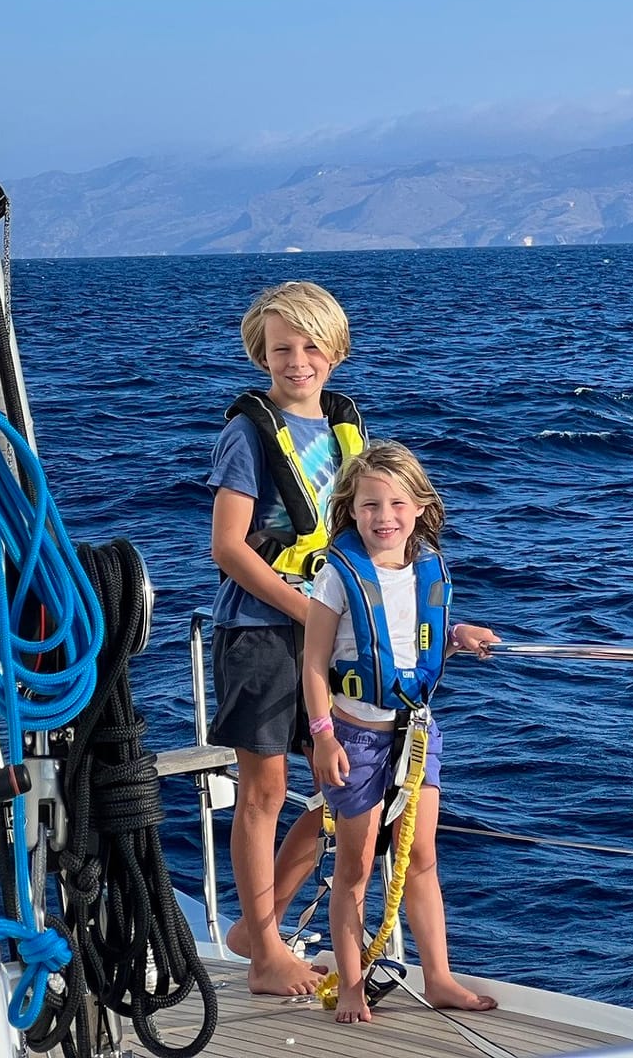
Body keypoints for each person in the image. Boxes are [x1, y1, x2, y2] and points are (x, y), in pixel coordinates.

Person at [302, 442, 500, 1025]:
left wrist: (458, 630)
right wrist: (322, 736)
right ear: (350, 509)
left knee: (422, 855)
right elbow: (314, 664)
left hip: (415, 736)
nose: (382, 516)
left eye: (395, 503)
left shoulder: (429, 567)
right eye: (368, 505)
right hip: (355, 740)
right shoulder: (338, 578)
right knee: (356, 868)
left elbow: (417, 629)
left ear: (418, 508)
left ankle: (437, 977)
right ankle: (354, 986)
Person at [208, 281, 365, 996]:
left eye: (308, 346)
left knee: (345, 786)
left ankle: (254, 926)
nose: (295, 361)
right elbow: (230, 548)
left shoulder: (342, 431)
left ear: (333, 353)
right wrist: (307, 615)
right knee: (263, 789)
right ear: (260, 355)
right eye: (280, 349)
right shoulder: (247, 432)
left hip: (328, 639)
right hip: (261, 634)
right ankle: (267, 953)